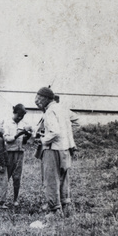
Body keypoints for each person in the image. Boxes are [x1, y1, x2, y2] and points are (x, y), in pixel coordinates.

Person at [34, 86, 78, 217]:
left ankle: (54, 210)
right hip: (65, 148)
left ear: (46, 98)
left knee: (51, 179)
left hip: (53, 149)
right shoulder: (63, 109)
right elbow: (75, 122)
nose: (37, 101)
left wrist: (42, 140)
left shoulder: (50, 111)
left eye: (39, 98)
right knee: (63, 178)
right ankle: (65, 206)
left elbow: (55, 131)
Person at [2, 103, 33, 206]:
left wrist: (28, 135)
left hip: (20, 153)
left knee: (17, 177)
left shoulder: (24, 123)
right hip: (9, 152)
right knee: (6, 176)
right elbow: (7, 139)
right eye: (18, 115)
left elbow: (24, 141)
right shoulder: (7, 123)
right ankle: (2, 199)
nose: (20, 117)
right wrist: (19, 133)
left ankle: (15, 199)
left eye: (22, 116)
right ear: (14, 112)